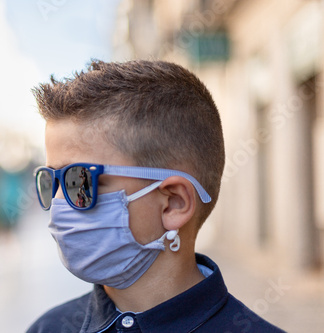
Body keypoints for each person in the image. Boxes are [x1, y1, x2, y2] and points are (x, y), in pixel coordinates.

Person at [28, 60, 284, 332]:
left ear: (174, 202)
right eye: (50, 180)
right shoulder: (48, 327)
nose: (57, 204)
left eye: (78, 181)